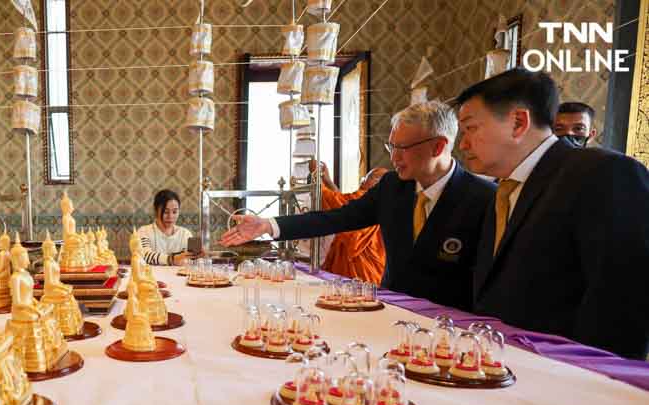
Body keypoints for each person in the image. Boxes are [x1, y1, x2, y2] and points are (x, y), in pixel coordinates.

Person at [221, 101, 494, 311]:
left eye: (403, 147)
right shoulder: (391, 187)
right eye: (391, 147)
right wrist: (267, 225)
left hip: (452, 325)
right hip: (392, 312)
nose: (394, 157)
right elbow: (337, 218)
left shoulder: (483, 198)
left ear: (438, 147)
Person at [455, 68, 649, 359]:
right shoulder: (505, 188)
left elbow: (622, 303)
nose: (463, 144)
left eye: (470, 128)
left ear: (518, 122)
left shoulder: (603, 173)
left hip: (569, 379)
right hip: (507, 369)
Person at [310, 162, 388, 282]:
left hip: (361, 268)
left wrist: (316, 177)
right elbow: (344, 207)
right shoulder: (378, 202)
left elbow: (334, 201)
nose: (362, 182)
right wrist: (328, 181)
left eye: (370, 178)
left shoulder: (366, 198)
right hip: (373, 267)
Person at [137, 189, 195, 266]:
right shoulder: (144, 231)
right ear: (156, 210)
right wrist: (172, 259)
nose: (170, 216)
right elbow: (145, 255)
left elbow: (189, 260)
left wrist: (196, 256)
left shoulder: (185, 234)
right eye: (165, 212)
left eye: (174, 212)